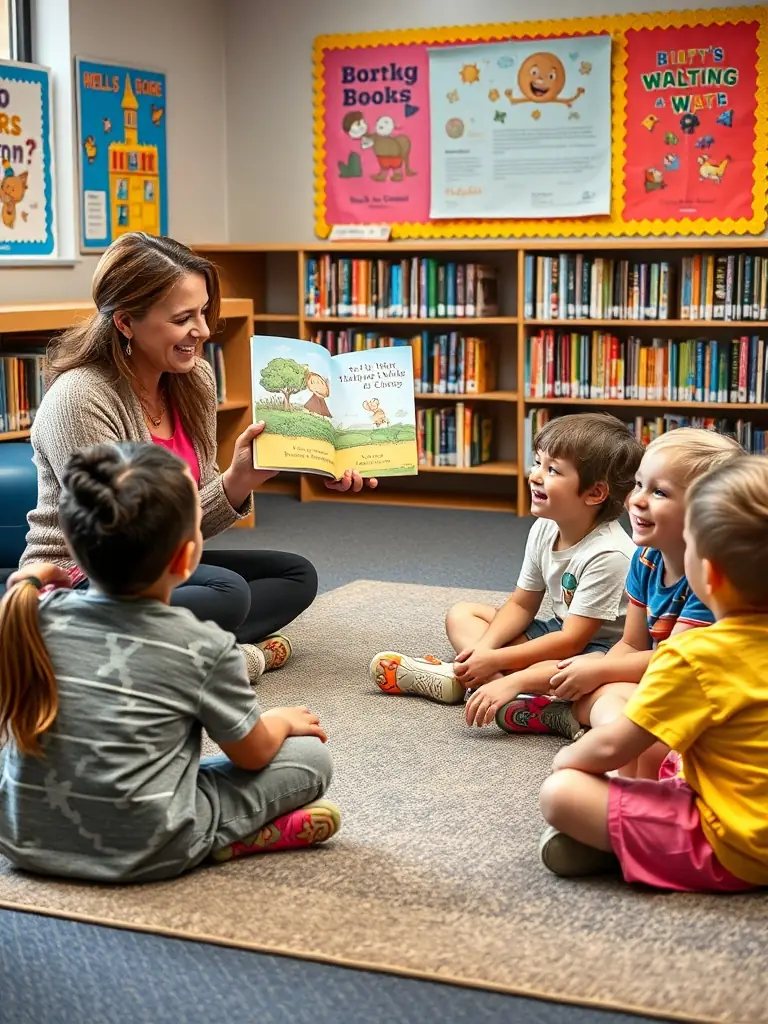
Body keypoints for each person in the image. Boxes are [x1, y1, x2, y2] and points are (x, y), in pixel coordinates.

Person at [19, 232, 376, 684]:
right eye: (183, 318)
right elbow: (118, 541)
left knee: (294, 575)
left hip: (161, 564)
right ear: (126, 322)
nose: (204, 331)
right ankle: (186, 655)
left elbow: (190, 528)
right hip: (85, 575)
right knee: (226, 594)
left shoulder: (194, 380)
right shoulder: (81, 397)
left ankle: (163, 654)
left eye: (204, 311)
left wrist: (239, 480)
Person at [0, 442, 339, 883]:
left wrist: (32, 575)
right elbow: (253, 755)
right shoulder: (203, 644)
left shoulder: (29, 614)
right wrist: (279, 721)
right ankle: (229, 836)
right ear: (186, 558)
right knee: (310, 759)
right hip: (147, 847)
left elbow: (20, 587)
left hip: (22, 838)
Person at [538, 455, 768, 893]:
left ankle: (618, 847)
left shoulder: (693, 654)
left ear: (710, 576)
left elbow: (612, 746)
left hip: (734, 849)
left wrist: (565, 764)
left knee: (564, 793)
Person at [368, 414, 642, 729]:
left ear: (595, 493)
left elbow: (571, 642)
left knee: (579, 669)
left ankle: (481, 681)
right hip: (557, 631)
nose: (535, 475)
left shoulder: (610, 553)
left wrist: (497, 658)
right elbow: (522, 604)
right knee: (463, 614)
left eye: (552, 470)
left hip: (597, 650)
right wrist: (483, 652)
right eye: (537, 462)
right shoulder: (544, 528)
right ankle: (491, 684)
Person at [503, 428, 743, 756]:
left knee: (614, 702)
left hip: (706, 697)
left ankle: (600, 739)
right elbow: (631, 643)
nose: (636, 500)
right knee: (599, 692)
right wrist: (593, 676)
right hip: (664, 680)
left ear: (708, 512)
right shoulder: (646, 558)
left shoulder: (711, 579)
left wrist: (598, 671)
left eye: (659, 492)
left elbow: (678, 662)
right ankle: (572, 716)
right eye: (639, 485)